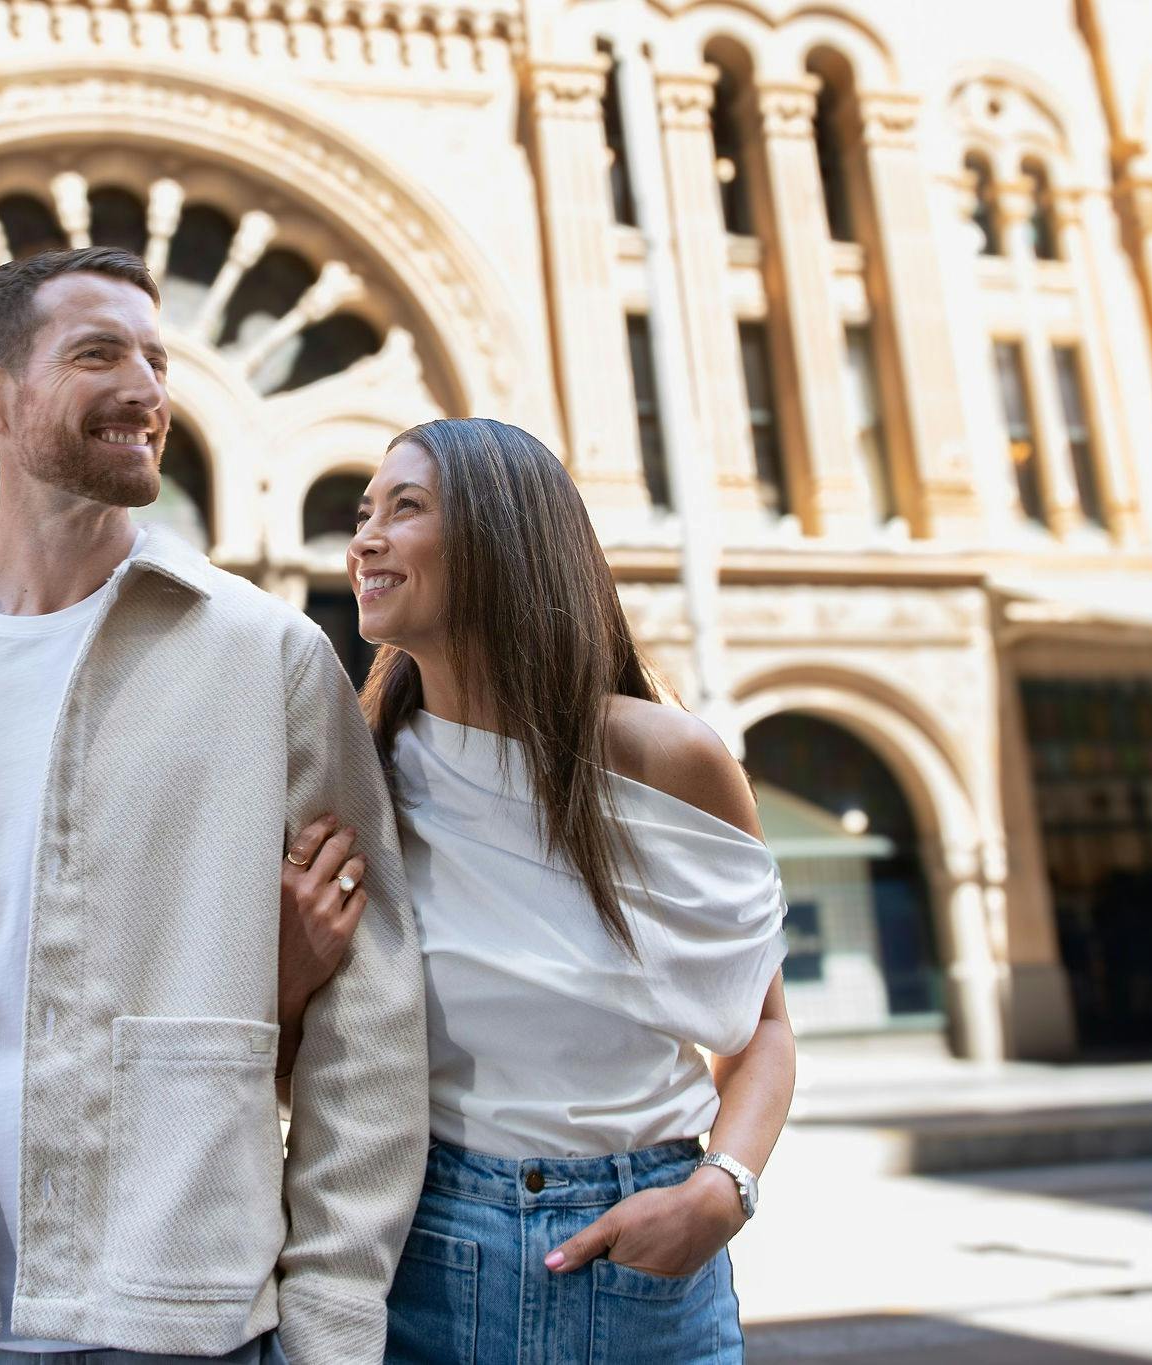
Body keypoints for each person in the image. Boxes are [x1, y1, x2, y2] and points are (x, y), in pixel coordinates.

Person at [0, 247, 428, 1365]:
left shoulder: (263, 656)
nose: (147, 389)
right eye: (97, 353)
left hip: (171, 1318)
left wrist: (328, 1328)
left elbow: (369, 1026)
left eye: (156, 358)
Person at [278, 418, 794, 1364]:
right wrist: (290, 968)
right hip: (421, 1248)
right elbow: (296, 1066)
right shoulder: (360, 776)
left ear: (501, 536)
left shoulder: (667, 757)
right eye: (363, 514)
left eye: (406, 507)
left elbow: (761, 1028)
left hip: (648, 1266)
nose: (364, 539)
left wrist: (723, 1191)